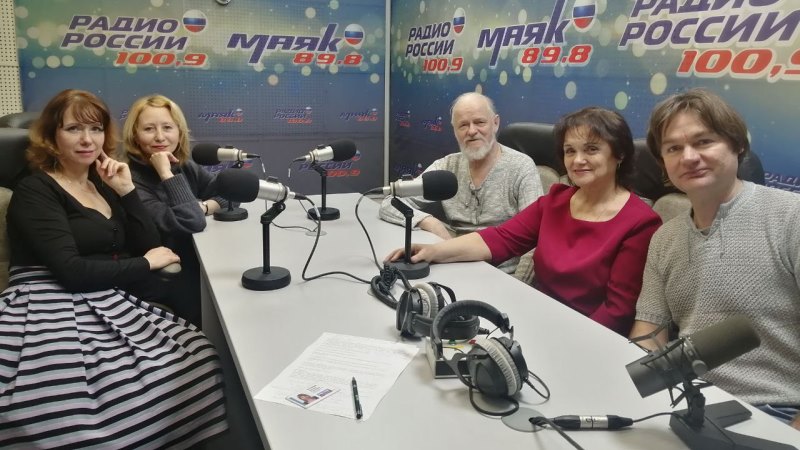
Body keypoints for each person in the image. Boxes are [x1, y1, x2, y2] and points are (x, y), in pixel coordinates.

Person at [0, 89, 228, 447]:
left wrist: (126, 192)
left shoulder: (102, 183)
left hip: (102, 294)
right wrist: (146, 263)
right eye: (74, 129)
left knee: (199, 355)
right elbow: (72, 271)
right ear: (51, 137)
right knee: (69, 403)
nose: (87, 139)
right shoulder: (36, 189)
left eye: (95, 129)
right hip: (45, 299)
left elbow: (148, 242)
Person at [387, 107, 662, 336]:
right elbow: (500, 238)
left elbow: (616, 312)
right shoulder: (555, 201)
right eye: (570, 151)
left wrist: (569, 342)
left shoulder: (640, 223)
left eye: (591, 149)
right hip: (536, 318)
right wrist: (433, 251)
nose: (578, 160)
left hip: (587, 335)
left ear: (619, 154)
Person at [630, 88, 800, 429]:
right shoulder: (665, 238)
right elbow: (649, 331)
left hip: (777, 411)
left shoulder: (790, 217)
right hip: (688, 403)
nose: (689, 157)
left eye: (704, 142)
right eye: (673, 148)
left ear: (737, 145)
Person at [379, 92, 543, 277]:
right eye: (463, 125)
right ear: (454, 131)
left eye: (479, 122)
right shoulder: (447, 165)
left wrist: (519, 285)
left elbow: (536, 238)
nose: (471, 131)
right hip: (452, 263)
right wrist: (430, 222)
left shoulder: (521, 167)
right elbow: (390, 202)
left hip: (501, 275)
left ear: (495, 123)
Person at [121, 94, 230, 325]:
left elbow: (230, 194)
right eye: (149, 129)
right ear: (134, 136)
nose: (160, 136)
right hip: (164, 276)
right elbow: (192, 221)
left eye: (167, 127)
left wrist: (204, 207)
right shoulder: (129, 178)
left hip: (197, 260)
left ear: (179, 132)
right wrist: (165, 173)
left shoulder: (184, 166)